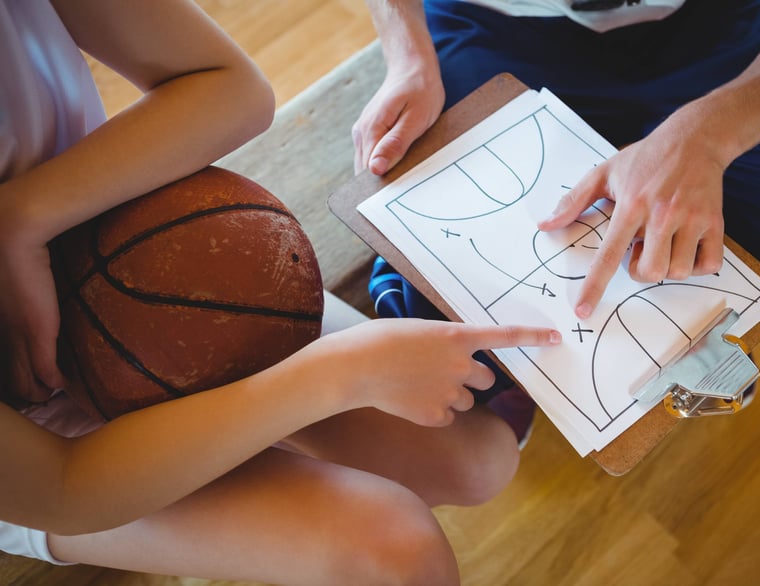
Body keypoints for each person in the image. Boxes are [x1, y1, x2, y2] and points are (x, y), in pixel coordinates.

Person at [0, 1, 561, 584]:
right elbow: (63, 487)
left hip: (115, 252)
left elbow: (232, 87)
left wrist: (19, 220)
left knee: (479, 463)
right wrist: (343, 371)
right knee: (397, 550)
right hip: (34, 446)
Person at [353, 0, 760, 420]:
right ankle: (537, 381)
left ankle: (662, 327)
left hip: (722, 26)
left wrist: (707, 135)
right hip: (493, 26)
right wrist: (407, 55)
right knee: (446, 331)